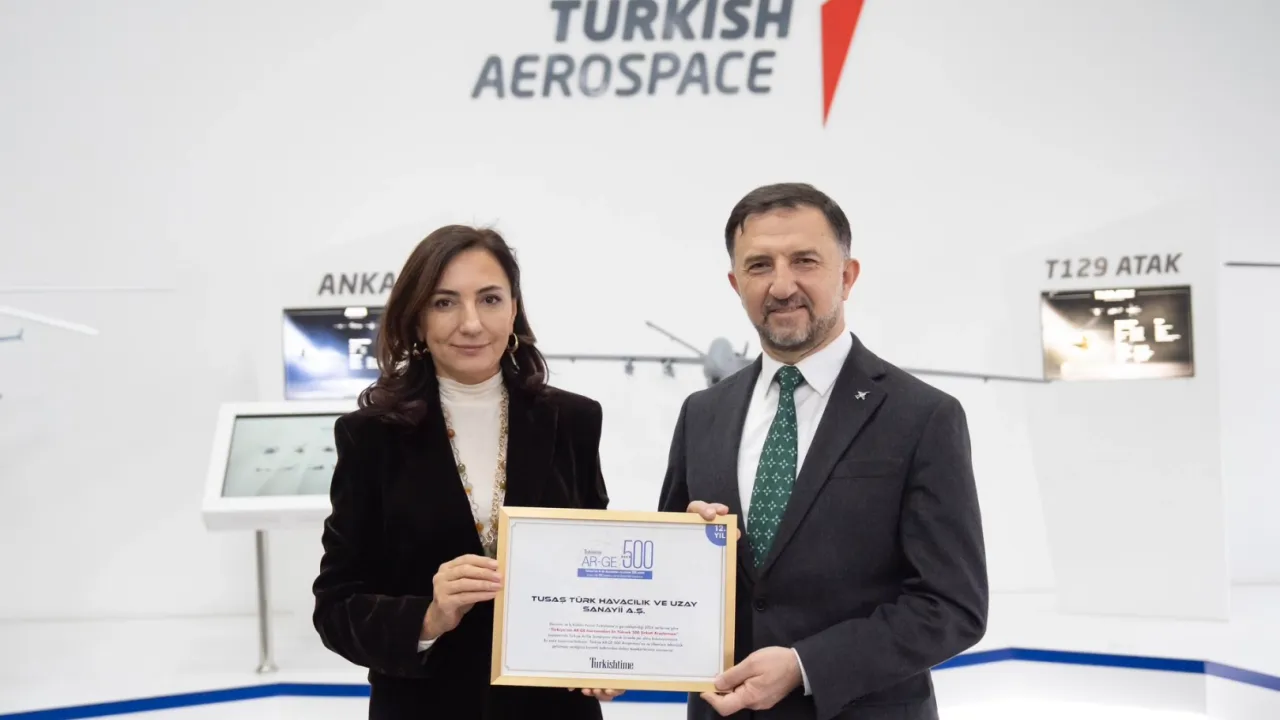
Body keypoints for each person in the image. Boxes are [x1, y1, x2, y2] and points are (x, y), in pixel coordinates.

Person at [658, 184, 988, 720]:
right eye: (759, 265)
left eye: (804, 261)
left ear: (848, 276)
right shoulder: (703, 413)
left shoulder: (922, 416)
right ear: (736, 283)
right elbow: (667, 582)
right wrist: (683, 554)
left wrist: (805, 665)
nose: (781, 285)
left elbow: (952, 607)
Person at [312, 225, 623, 719]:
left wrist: (606, 653)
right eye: (445, 303)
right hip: (425, 706)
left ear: (514, 310)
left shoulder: (574, 420)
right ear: (417, 319)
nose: (472, 323)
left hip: (552, 709)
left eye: (490, 299)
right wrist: (428, 617)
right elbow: (336, 607)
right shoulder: (371, 436)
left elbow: (595, 571)